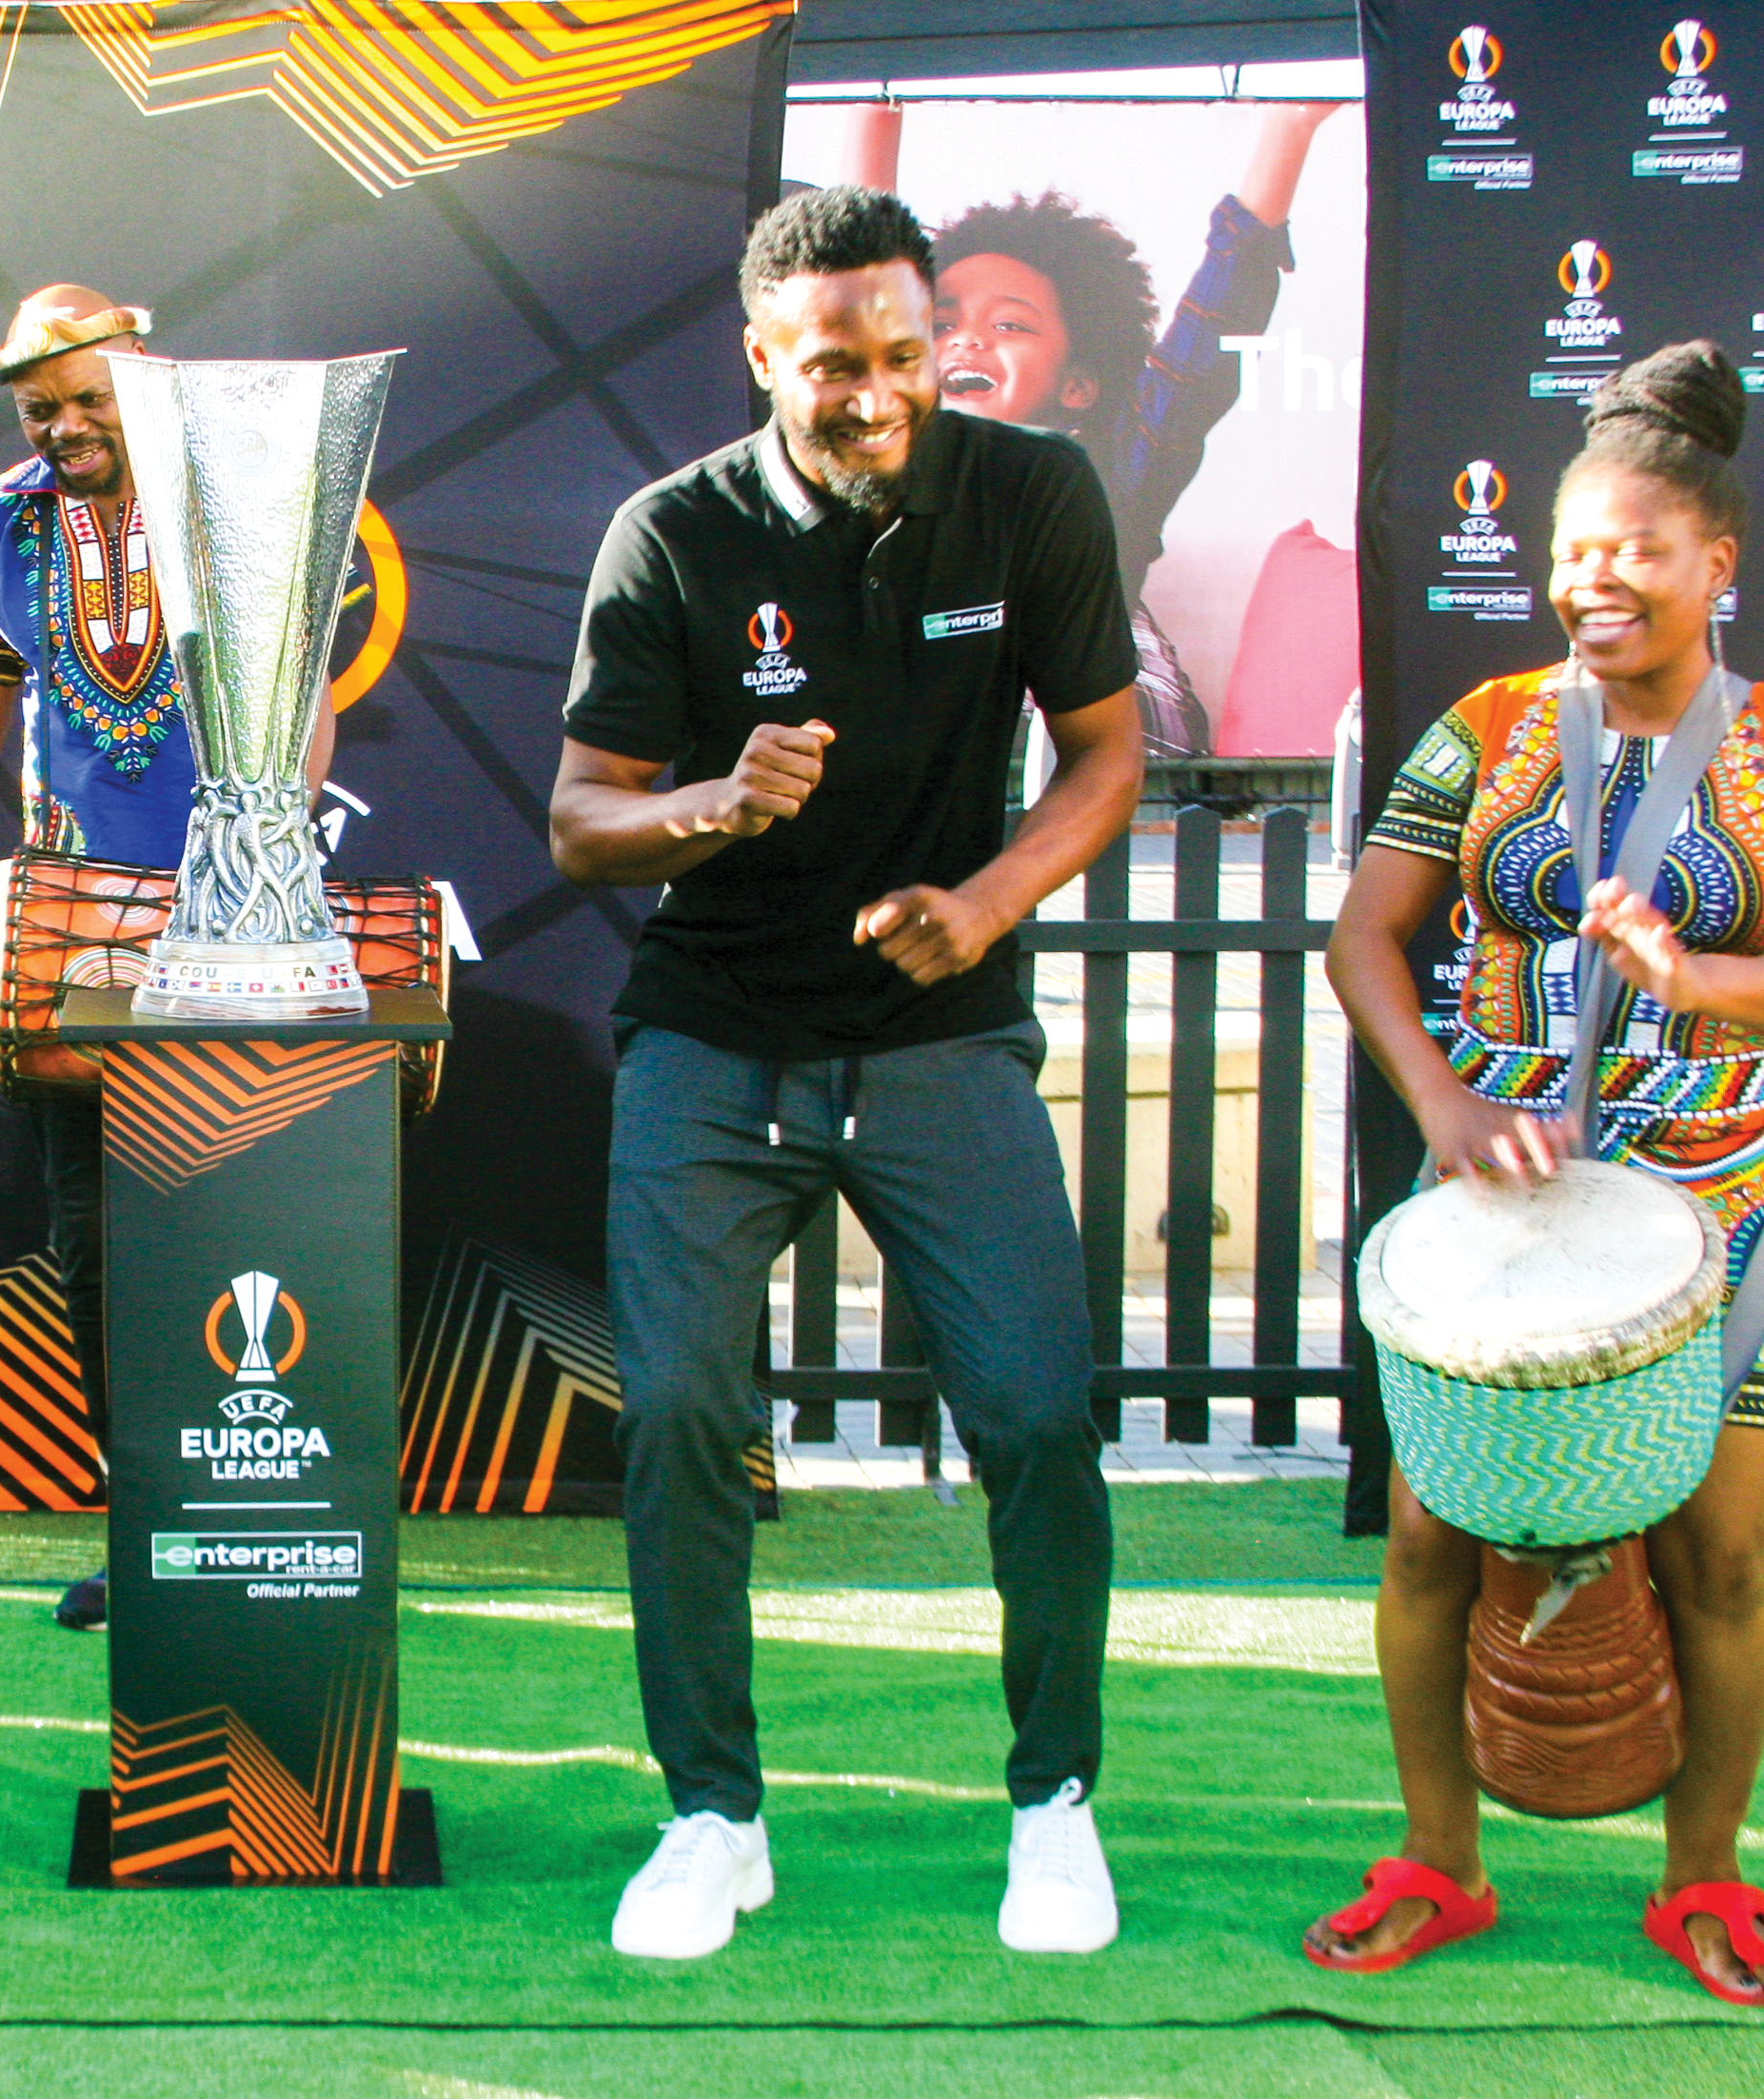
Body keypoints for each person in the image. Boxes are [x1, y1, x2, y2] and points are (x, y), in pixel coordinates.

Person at [549, 186, 1144, 1961]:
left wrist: (983, 903)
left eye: (904, 355)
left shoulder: (1026, 493)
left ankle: (1052, 1805)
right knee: (675, 1420)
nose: (878, 393)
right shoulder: (668, 535)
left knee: (1035, 1413)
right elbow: (582, 821)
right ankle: (710, 1816)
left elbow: (1106, 755)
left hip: (936, 1032)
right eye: (834, 366)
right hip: (717, 1032)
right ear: (759, 360)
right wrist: (713, 805)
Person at [1318, 342, 1764, 2007]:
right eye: (1574, 553)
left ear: (1713, 562)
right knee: (1434, 1545)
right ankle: (1438, 1858)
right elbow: (1365, 930)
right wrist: (1434, 1103)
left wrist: (1692, 982)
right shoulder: (1487, 726)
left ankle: (1704, 1878)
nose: (1596, 581)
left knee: (1721, 1562)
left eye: (1637, 550)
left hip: (1723, 1206)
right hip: (1498, 1202)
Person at [0, 285, 334, 1633]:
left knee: (244, 1233)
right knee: (97, 1250)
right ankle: (147, 1536)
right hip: (74, 937)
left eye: (91, 397)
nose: (66, 425)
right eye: (41, 408)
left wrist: (269, 856)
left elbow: (296, 707)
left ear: (146, 374)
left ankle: (264, 1533)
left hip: (236, 921)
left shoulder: (239, 494)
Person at [844, 100, 1342, 755]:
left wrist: (1291, 123)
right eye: (942, 325)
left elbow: (1208, 336)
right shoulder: (886, 464)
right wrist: (874, 103)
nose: (965, 342)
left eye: (1009, 325)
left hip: (1112, 753)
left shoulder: (1108, 475)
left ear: (1078, 385)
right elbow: (864, 293)